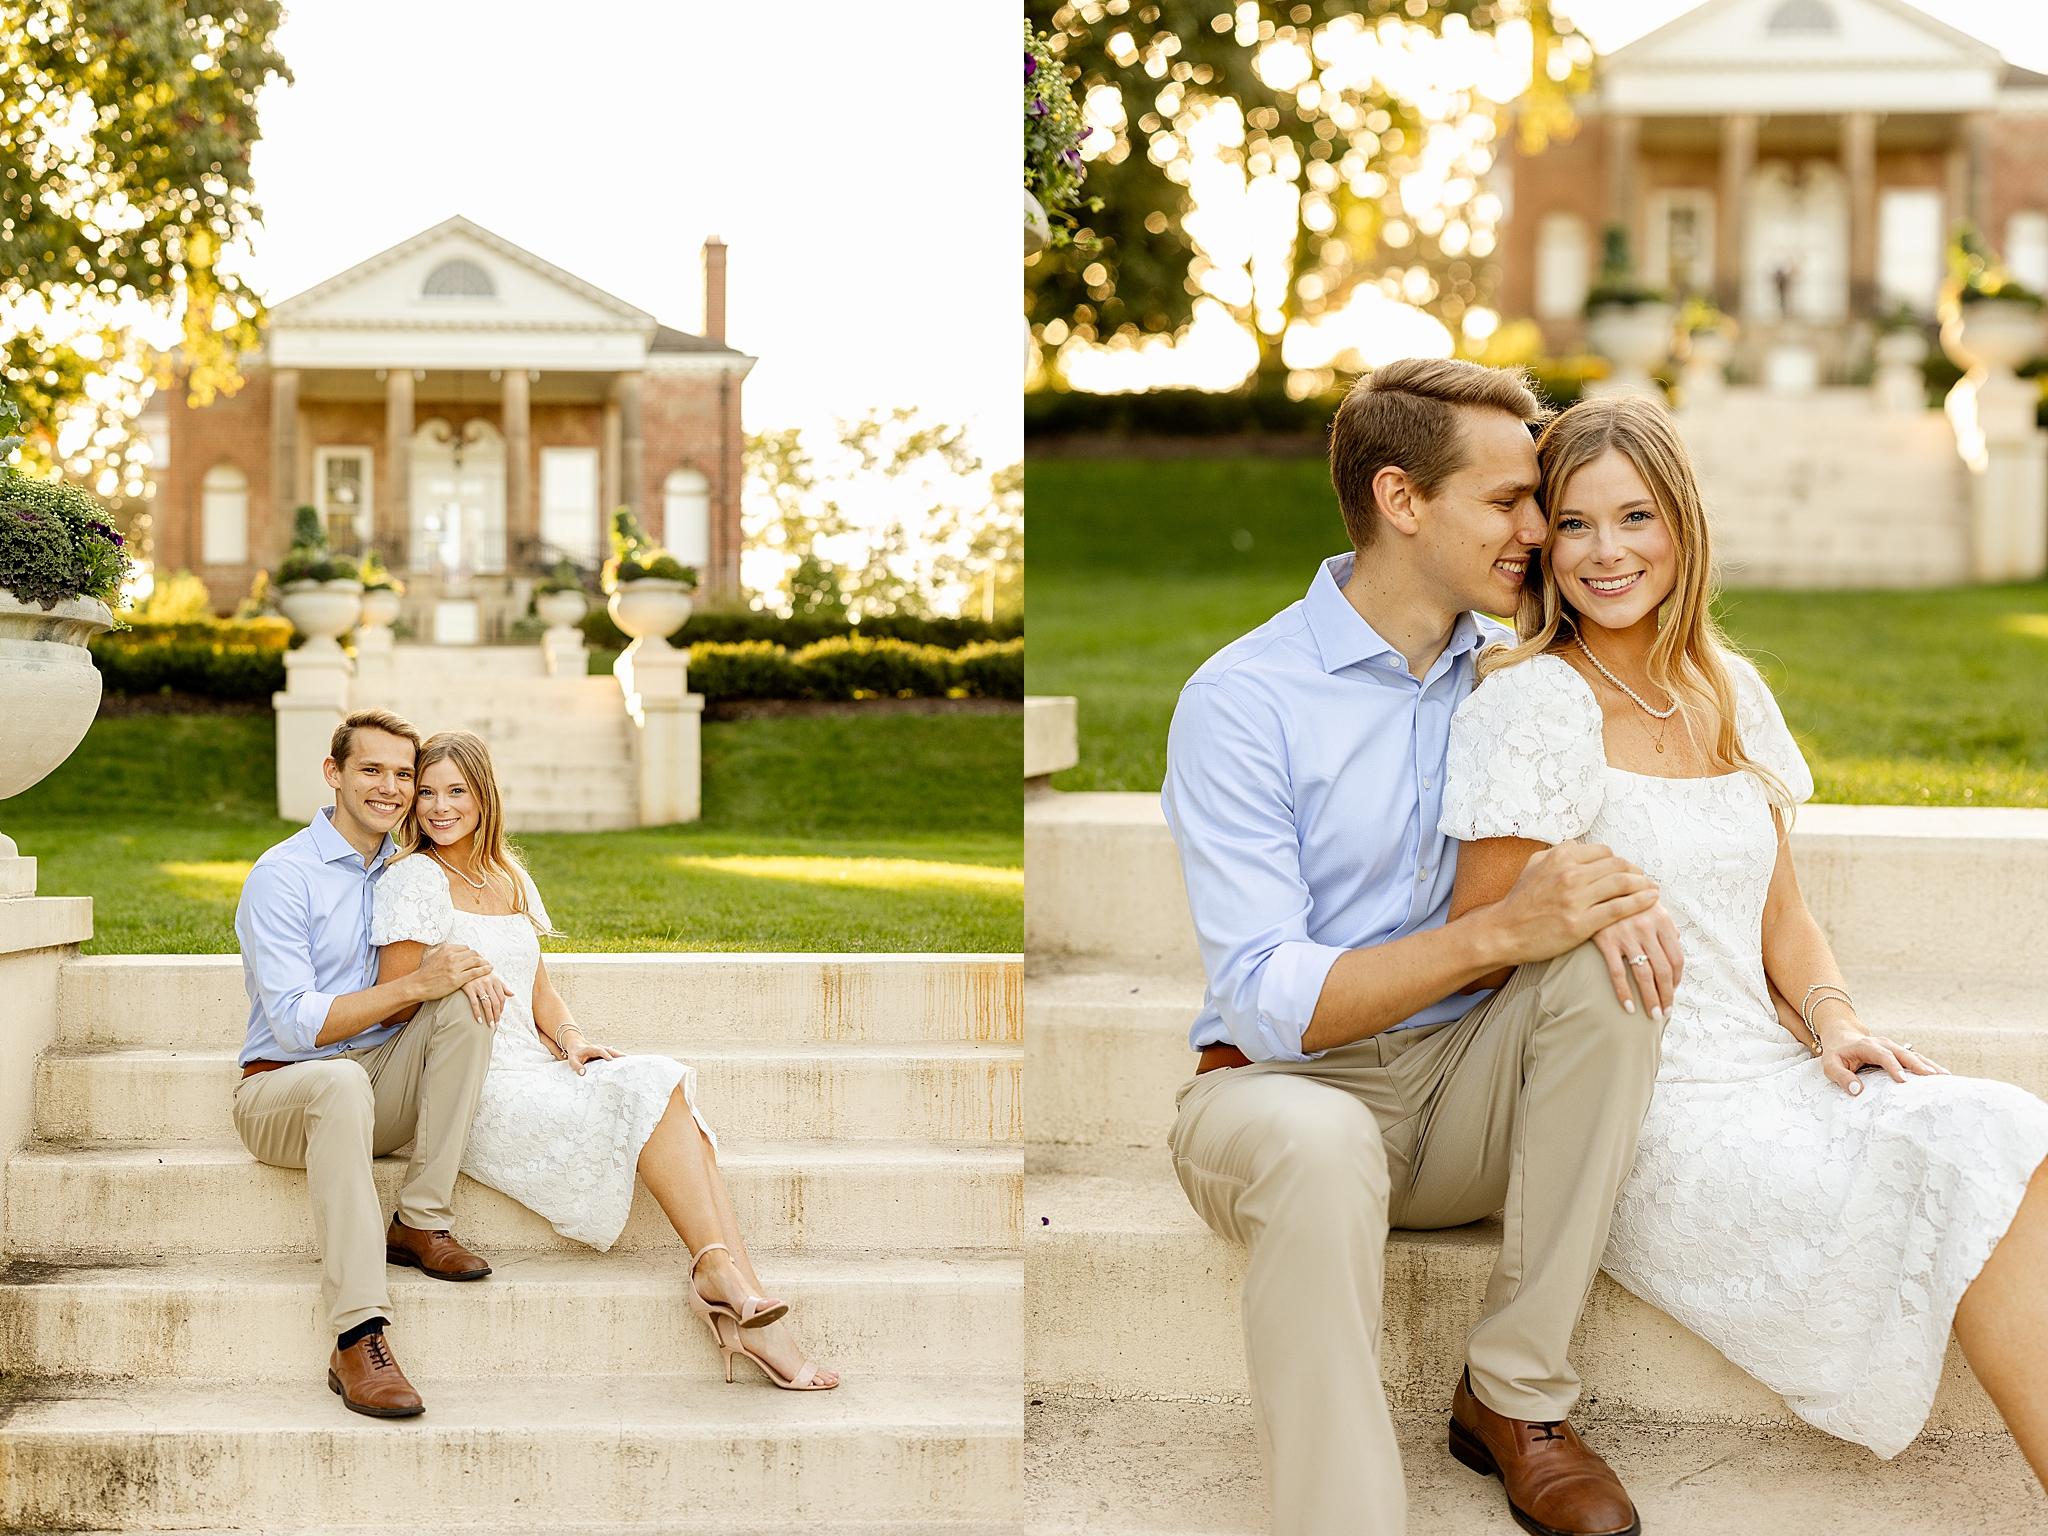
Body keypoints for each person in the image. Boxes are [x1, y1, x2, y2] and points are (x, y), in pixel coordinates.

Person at [1440, 393, 2048, 1487]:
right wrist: (1592, 898)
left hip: (1763, 1066)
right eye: (1572, 524)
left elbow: (1782, 914)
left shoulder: (1724, 688)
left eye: (1634, 517)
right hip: (1629, 1105)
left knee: (2000, 1126)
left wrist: (1833, 1020)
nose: (1604, 552)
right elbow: (1479, 943)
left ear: (1681, 525)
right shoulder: (1531, 704)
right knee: (1958, 1156)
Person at [1162, 358, 1678, 1536]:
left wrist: (1603, 897)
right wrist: (1498, 928)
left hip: (1461, 1094)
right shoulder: (1242, 699)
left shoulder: (1517, 680)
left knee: (1606, 974)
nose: (1539, 530)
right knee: (1314, 1139)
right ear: (1401, 501)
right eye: (1507, 501)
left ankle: (1512, 1399)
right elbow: (1261, 996)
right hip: (1275, 1096)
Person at [369, 729, 837, 1391]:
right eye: (426, 793)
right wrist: (448, 977)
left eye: (456, 791)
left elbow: (538, 988)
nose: (439, 807)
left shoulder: (508, 876)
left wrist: (571, 1040)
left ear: (484, 797)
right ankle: (740, 1302)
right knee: (658, 1098)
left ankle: (729, 1285)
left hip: (532, 1063)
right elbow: (394, 1001)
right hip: (467, 1084)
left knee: (660, 1081)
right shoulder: (413, 878)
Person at [233, 707, 504, 1420]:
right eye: (371, 770)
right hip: (283, 1094)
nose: (390, 788)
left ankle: (419, 1219)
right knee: (340, 1075)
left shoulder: (408, 869)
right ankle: (357, 1335)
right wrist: (416, 983)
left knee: (465, 1003)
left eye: (403, 774)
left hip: (372, 1083)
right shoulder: (282, 875)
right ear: (334, 774)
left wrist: (460, 975)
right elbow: (295, 1024)